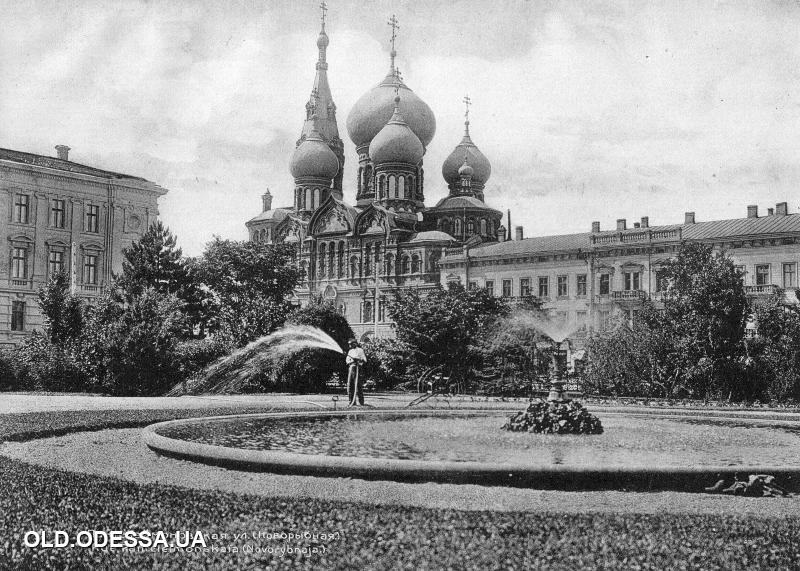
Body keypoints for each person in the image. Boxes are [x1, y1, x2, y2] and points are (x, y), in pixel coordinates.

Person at [345, 339, 367, 406]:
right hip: (351, 368)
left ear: (355, 344)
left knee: (358, 385)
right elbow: (347, 361)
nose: (350, 345)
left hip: (358, 369)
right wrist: (352, 361)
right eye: (349, 344)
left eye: (351, 344)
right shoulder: (350, 351)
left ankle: (361, 402)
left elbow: (365, 360)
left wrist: (359, 360)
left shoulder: (360, 350)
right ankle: (351, 402)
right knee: (350, 385)